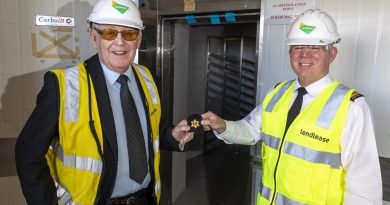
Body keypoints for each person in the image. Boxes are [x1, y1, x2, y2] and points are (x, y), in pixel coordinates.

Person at [15, 0, 193, 204]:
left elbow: (148, 129)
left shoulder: (147, 77)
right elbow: (28, 155)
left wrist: (170, 135)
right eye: (109, 33)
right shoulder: (63, 86)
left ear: (139, 38)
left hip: (146, 199)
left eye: (129, 33)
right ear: (93, 37)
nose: (120, 42)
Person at [201, 9, 382, 205]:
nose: (305, 54)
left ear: (332, 54)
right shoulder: (277, 93)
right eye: (298, 47)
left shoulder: (351, 107)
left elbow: (363, 186)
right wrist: (223, 126)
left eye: (315, 47)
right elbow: (251, 131)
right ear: (290, 52)